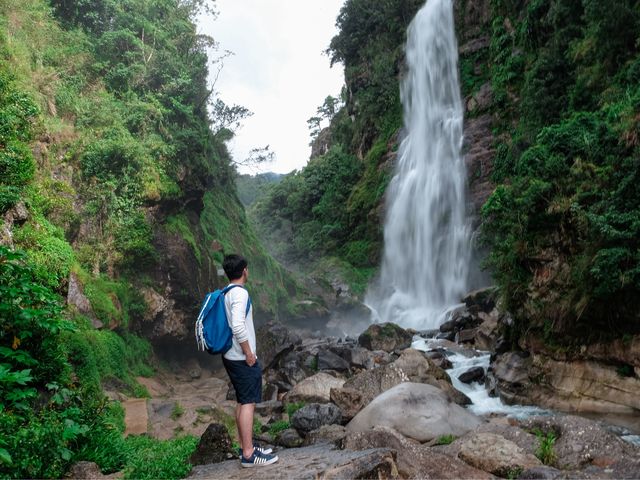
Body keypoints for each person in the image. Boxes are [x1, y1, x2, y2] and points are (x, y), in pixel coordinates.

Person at [221, 254, 279, 468]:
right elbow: (237, 325)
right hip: (240, 357)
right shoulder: (240, 294)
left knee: (242, 400)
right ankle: (248, 454)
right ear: (244, 270)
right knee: (248, 403)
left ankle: (246, 446)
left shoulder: (227, 292)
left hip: (230, 355)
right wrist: (248, 353)